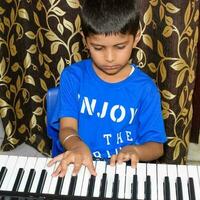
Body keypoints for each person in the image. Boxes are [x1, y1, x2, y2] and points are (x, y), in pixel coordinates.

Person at [48, 0, 167, 177]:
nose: (109, 58)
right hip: (76, 162)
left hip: (120, 170)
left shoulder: (145, 89)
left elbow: (156, 147)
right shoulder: (73, 76)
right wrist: (77, 146)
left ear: (136, 38)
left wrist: (136, 151)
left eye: (120, 47)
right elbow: (67, 129)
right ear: (85, 41)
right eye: (98, 47)